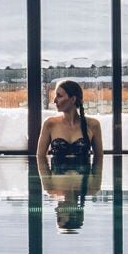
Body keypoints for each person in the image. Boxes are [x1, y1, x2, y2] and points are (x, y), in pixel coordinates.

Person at [34, 79, 103, 232]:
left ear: (73, 99)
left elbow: (99, 160)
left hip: (82, 174)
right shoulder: (50, 124)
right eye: (59, 217)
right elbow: (40, 157)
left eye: (59, 96)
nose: (54, 100)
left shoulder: (93, 125)